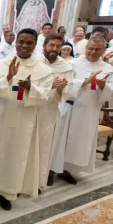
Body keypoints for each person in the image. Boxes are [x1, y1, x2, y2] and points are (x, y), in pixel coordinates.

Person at [0, 29, 54, 209]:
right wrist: (9, 77)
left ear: (36, 45)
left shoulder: (43, 70)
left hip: (25, 120)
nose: (24, 46)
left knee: (18, 156)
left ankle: (8, 193)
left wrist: (30, 87)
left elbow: (45, 95)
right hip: (3, 114)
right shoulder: (2, 64)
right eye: (21, 42)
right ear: (15, 42)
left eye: (29, 42)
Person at [49, 36, 113, 183]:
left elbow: (112, 90)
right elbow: (63, 81)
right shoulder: (72, 64)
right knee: (58, 139)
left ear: (103, 50)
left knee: (78, 143)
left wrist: (102, 86)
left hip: (89, 112)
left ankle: (66, 169)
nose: (93, 52)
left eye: (97, 49)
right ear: (85, 48)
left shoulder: (108, 70)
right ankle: (50, 169)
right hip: (68, 108)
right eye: (90, 48)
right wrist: (84, 82)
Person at [36, 35, 72, 188]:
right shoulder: (34, 62)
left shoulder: (66, 67)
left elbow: (69, 90)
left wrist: (62, 88)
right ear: (44, 45)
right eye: (51, 45)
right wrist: (49, 85)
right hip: (33, 109)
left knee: (44, 147)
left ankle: (38, 181)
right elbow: (26, 85)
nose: (54, 49)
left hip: (50, 111)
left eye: (58, 46)